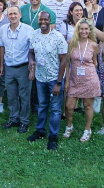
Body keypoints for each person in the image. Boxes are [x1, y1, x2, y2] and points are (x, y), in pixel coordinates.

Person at [27, 11, 67, 150]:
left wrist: (58, 82)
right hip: (40, 77)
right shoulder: (35, 34)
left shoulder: (58, 37)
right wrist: (31, 63)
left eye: (46, 20)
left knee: (55, 109)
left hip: (54, 78)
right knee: (42, 105)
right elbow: (31, 53)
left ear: (50, 21)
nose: (43, 22)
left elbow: (63, 61)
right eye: (41, 19)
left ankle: (53, 136)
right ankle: (40, 131)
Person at [62, 20, 101, 142]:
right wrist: (67, 81)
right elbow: (67, 63)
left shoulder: (94, 45)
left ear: (90, 31)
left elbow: (95, 63)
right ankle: (69, 126)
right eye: (81, 29)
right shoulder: (71, 43)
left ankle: (87, 130)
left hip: (89, 79)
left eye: (86, 29)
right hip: (74, 79)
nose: (83, 31)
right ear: (77, 30)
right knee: (69, 106)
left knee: (87, 105)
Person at [0, 6, 34, 133]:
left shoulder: (28, 30)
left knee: (24, 96)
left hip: (23, 67)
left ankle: (24, 121)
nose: (12, 16)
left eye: (15, 13)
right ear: (7, 16)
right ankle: (14, 118)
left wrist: (32, 68)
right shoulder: (3, 29)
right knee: (11, 95)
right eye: (10, 14)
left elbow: (32, 49)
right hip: (9, 67)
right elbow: (1, 48)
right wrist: (1, 66)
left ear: (20, 15)